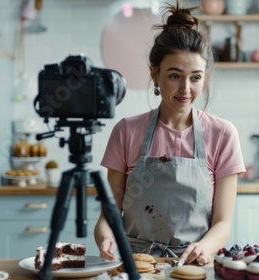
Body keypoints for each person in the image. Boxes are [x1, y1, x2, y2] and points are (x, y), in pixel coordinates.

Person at [93, 1, 246, 266]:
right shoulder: (126, 131)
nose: (186, 89)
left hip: (193, 265)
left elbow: (223, 223)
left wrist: (203, 247)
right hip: (135, 265)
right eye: (175, 76)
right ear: (155, 74)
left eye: (196, 77)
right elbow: (109, 214)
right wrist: (105, 236)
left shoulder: (222, 134)